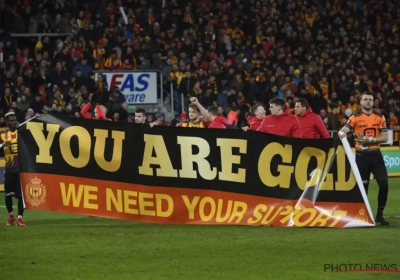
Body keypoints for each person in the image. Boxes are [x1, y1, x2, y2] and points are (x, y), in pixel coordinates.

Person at [338, 92, 389, 226]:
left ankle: (379, 214)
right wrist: (341, 133)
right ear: (360, 102)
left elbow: (385, 137)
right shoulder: (354, 118)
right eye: (365, 100)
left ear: (373, 102)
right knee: (363, 188)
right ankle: (364, 214)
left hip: (376, 155)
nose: (368, 102)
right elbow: (344, 130)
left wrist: (370, 140)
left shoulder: (379, 117)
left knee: (384, 184)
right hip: (361, 157)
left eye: (370, 100)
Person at [0, 112, 25, 226]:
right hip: (9, 169)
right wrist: (2, 145)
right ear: (7, 122)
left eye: (15, 120)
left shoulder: (21, 132)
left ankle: (20, 218)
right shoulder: (2, 134)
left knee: (21, 196)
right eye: (11, 120)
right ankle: (11, 215)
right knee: (8, 195)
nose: (14, 122)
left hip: (21, 169)